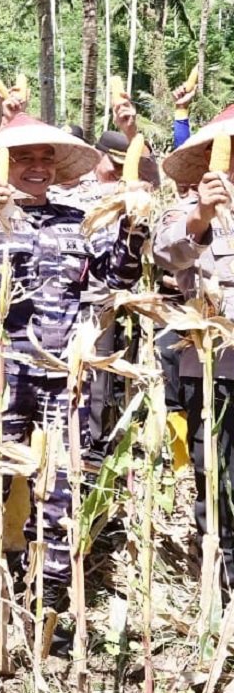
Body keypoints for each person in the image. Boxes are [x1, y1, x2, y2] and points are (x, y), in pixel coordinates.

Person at [0, 113, 148, 645]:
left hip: (65, 375)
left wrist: (133, 226)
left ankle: (49, 604)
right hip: (2, 372)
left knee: (60, 490)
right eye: (24, 159)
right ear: (3, 166)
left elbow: (119, 276)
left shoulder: (79, 220)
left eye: (45, 159)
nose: (36, 167)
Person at [154, 103, 234, 594]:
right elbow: (167, 254)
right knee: (220, 480)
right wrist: (203, 213)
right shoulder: (187, 213)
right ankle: (222, 591)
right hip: (214, 371)